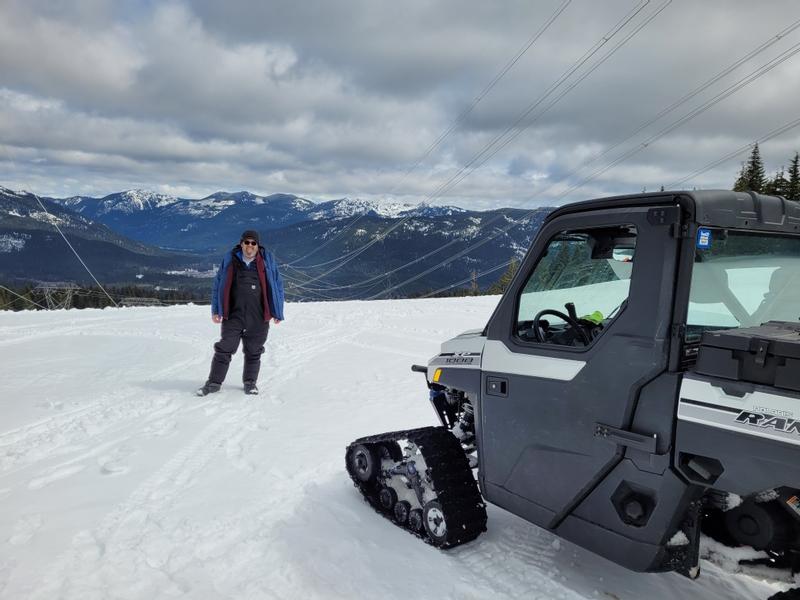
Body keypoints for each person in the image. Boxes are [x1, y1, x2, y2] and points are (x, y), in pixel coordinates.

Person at [196, 229, 284, 396]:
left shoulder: (267, 261)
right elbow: (218, 285)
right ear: (241, 244)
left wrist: (277, 311)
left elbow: (278, 286)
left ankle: (250, 383)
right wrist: (216, 309)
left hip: (259, 316)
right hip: (233, 314)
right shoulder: (231, 260)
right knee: (225, 349)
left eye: (253, 243)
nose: (249, 246)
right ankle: (213, 383)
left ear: (258, 246)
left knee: (254, 350)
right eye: (247, 242)